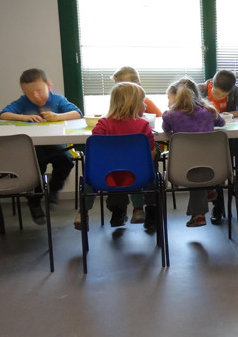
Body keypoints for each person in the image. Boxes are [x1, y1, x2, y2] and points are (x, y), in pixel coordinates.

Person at [0, 68, 83, 223]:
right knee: (35, 168)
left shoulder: (57, 100)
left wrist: (58, 116)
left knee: (66, 161)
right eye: (29, 93)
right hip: (33, 147)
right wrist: (24, 117)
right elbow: (4, 115)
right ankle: (35, 202)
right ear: (24, 92)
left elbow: (77, 113)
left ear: (48, 85)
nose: (35, 96)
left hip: (57, 144)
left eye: (39, 91)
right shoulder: (23, 102)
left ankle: (53, 191)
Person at [80, 81, 158, 230]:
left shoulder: (103, 123)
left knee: (88, 178)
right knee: (138, 171)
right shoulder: (143, 125)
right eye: (142, 101)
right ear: (134, 104)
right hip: (136, 176)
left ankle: (82, 212)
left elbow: (96, 145)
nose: (145, 105)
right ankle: (138, 210)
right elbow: (151, 152)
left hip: (107, 176)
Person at [161, 83, 225, 227]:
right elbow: (221, 122)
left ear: (176, 97)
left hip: (182, 168)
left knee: (194, 167)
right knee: (200, 166)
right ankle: (210, 191)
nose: (168, 102)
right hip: (214, 165)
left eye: (168, 98)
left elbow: (165, 129)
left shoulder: (169, 116)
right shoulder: (209, 111)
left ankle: (199, 214)